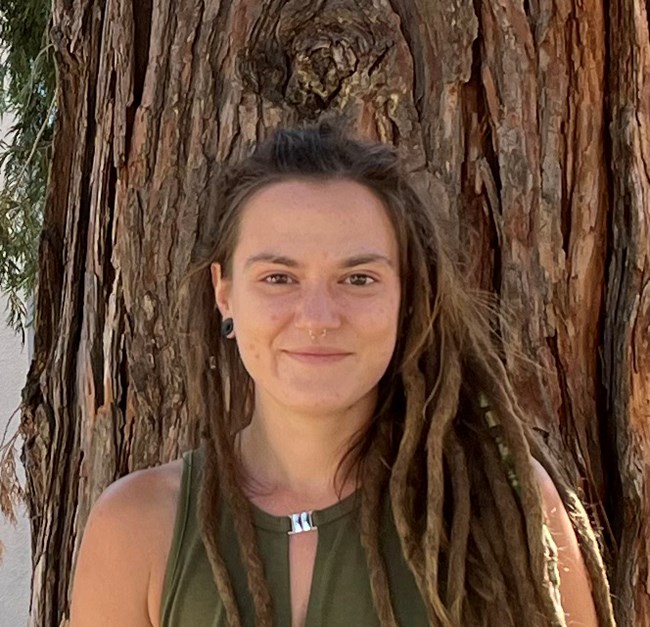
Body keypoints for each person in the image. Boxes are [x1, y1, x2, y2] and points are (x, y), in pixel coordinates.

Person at [69, 121, 615, 627]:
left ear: (406, 297)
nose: (318, 318)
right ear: (224, 292)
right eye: (279, 277)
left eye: (357, 279)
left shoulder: (500, 510)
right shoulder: (138, 529)